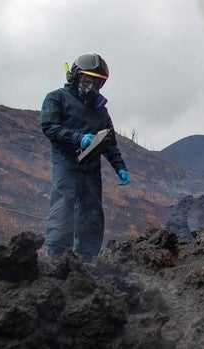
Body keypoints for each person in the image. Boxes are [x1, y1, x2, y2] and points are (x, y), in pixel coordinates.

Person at [40, 52, 130, 262]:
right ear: (76, 77)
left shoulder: (100, 111)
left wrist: (120, 167)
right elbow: (49, 127)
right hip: (66, 161)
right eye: (87, 81)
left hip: (91, 164)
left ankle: (87, 258)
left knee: (92, 211)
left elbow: (110, 142)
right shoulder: (57, 98)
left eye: (97, 83)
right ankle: (57, 256)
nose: (91, 88)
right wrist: (78, 138)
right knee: (64, 204)